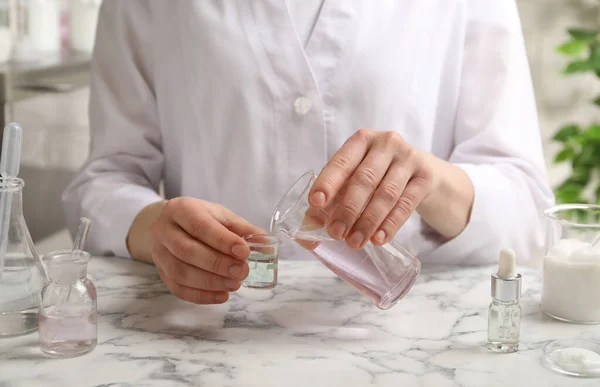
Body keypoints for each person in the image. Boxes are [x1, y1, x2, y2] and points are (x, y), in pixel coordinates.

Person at [62, 0, 555, 305]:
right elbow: (105, 179)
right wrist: (155, 229)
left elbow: (526, 210)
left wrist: (428, 181)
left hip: (416, 345)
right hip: (212, 335)